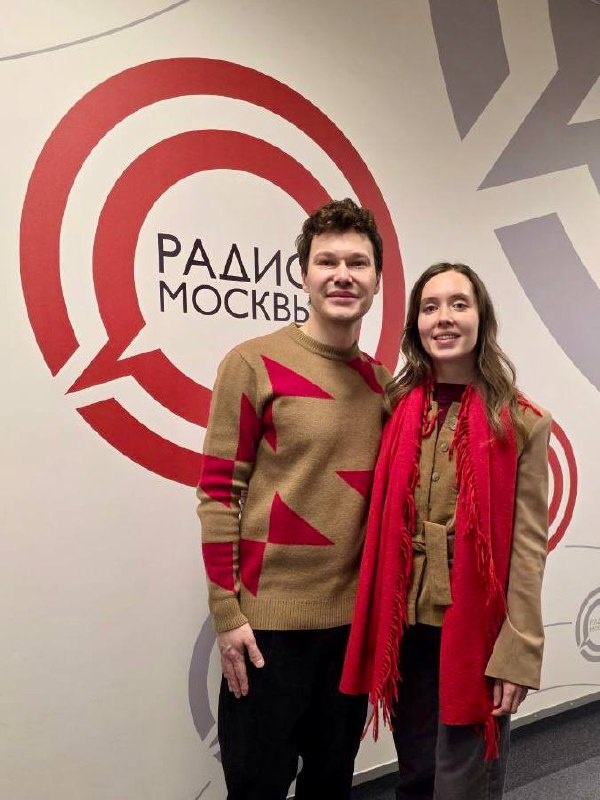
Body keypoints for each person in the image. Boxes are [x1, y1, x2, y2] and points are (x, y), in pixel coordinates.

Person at [197, 198, 390, 800]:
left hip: (350, 631)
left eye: (357, 263)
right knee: (256, 788)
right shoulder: (251, 363)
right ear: (303, 275)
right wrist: (227, 615)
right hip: (267, 632)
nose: (342, 275)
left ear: (377, 280)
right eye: (327, 262)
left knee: (331, 786)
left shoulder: (383, 383)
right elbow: (218, 494)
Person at [341, 262, 551, 800]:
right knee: (415, 772)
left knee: (466, 779)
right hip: (406, 625)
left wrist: (519, 652)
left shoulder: (521, 420)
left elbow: (528, 549)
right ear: (416, 324)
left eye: (459, 304)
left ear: (482, 317)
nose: (444, 318)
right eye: (430, 307)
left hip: (477, 630)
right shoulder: (394, 406)